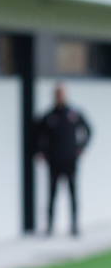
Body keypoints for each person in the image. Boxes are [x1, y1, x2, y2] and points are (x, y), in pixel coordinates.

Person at [34, 83, 93, 236]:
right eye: (57, 94)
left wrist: (81, 147)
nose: (60, 96)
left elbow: (88, 130)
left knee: (73, 193)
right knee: (52, 195)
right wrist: (41, 152)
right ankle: (50, 227)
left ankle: (74, 226)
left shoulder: (73, 113)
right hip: (54, 162)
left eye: (62, 93)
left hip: (70, 160)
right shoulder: (49, 116)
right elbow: (38, 136)